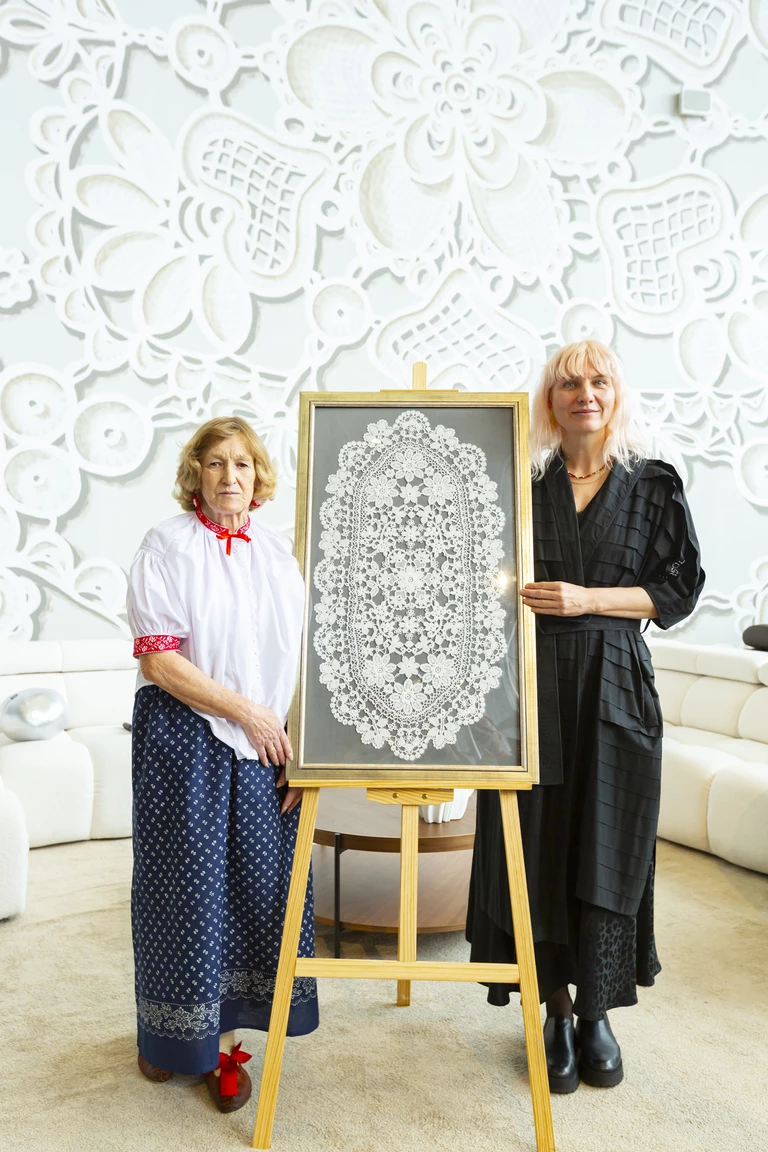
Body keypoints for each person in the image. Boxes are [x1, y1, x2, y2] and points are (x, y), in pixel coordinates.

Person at [467, 340, 704, 1093]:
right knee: (535, 846)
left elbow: (677, 592)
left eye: (599, 380)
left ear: (616, 393)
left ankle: (598, 1011)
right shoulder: (521, 481)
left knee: (608, 847)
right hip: (530, 684)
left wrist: (586, 599)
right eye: (569, 382)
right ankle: (555, 1009)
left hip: (615, 684)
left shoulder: (653, 483)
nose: (585, 393)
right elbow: (484, 580)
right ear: (550, 399)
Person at [127, 416, 317, 1113]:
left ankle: (226, 1042)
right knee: (183, 895)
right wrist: (248, 714)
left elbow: (305, 659)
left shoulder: (279, 554)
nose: (229, 475)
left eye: (241, 463)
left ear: (257, 475)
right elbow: (160, 660)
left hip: (266, 743)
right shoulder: (166, 546)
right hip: (184, 736)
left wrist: (302, 746)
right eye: (215, 463)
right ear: (196, 475)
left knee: (257, 892)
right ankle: (168, 1037)